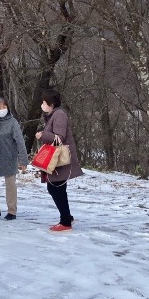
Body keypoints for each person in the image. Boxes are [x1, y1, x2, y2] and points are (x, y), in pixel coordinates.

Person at [35, 89, 83, 232]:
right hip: (57, 161)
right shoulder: (53, 115)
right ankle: (67, 217)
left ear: (51, 103)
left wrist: (42, 135)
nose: (42, 105)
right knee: (58, 188)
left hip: (60, 160)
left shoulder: (59, 115)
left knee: (56, 188)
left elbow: (59, 137)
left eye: (44, 102)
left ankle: (65, 222)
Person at [0, 97, 29, 220]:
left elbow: (20, 141)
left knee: (10, 185)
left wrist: (23, 159)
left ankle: (12, 210)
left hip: (9, 157)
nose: (2, 109)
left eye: (4, 107)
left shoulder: (13, 122)